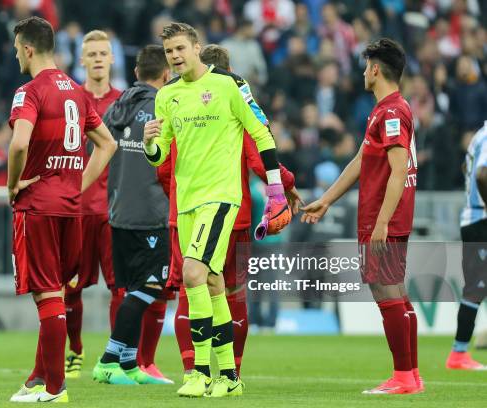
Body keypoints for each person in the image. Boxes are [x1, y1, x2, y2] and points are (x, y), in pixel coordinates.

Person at [143, 22, 299, 398]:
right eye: (169, 52)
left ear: (197, 47)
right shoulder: (167, 96)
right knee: (213, 284)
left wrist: (276, 186)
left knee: (194, 274)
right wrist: (149, 144)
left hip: (221, 197)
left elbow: (260, 133)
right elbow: (161, 155)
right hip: (186, 203)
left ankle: (199, 373)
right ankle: (229, 376)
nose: (176, 56)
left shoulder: (228, 86)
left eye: (181, 48)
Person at [302, 38, 421, 394]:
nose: (362, 71)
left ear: (375, 69)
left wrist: (382, 221)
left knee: (385, 291)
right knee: (396, 291)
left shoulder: (392, 112)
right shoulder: (386, 109)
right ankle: (411, 375)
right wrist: (326, 200)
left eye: (366, 64)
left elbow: (398, 170)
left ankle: (403, 377)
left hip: (383, 216)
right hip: (384, 215)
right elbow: (360, 161)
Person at [6, 17, 116, 403]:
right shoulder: (77, 92)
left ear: (29, 48)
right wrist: (77, 186)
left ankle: (55, 388)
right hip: (72, 210)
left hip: (38, 207)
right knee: (55, 294)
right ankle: (39, 378)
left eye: (18, 47)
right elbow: (107, 145)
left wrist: (12, 184)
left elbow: (19, 144)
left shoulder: (30, 92)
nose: (16, 53)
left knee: (47, 295)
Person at [92, 44, 173, 385]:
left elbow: (98, 146)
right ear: (167, 75)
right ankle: (108, 359)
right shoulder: (163, 106)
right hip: (150, 212)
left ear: (137, 73)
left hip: (119, 210)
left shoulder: (118, 105)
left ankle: (128, 364)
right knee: (150, 286)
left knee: (133, 288)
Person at [63, 29, 124, 380]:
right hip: (78, 208)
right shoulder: (71, 101)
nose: (99, 58)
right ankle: (75, 349)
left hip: (115, 210)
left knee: (119, 287)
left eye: (104, 53)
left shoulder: (125, 101)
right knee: (72, 286)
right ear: (82, 59)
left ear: (112, 58)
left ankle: (115, 355)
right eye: (93, 54)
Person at [445, 120, 487, 370]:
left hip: (474, 218)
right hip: (481, 218)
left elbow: (466, 168)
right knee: (476, 287)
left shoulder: (478, 135)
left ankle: (460, 352)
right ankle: (458, 353)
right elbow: (482, 174)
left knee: (477, 286)